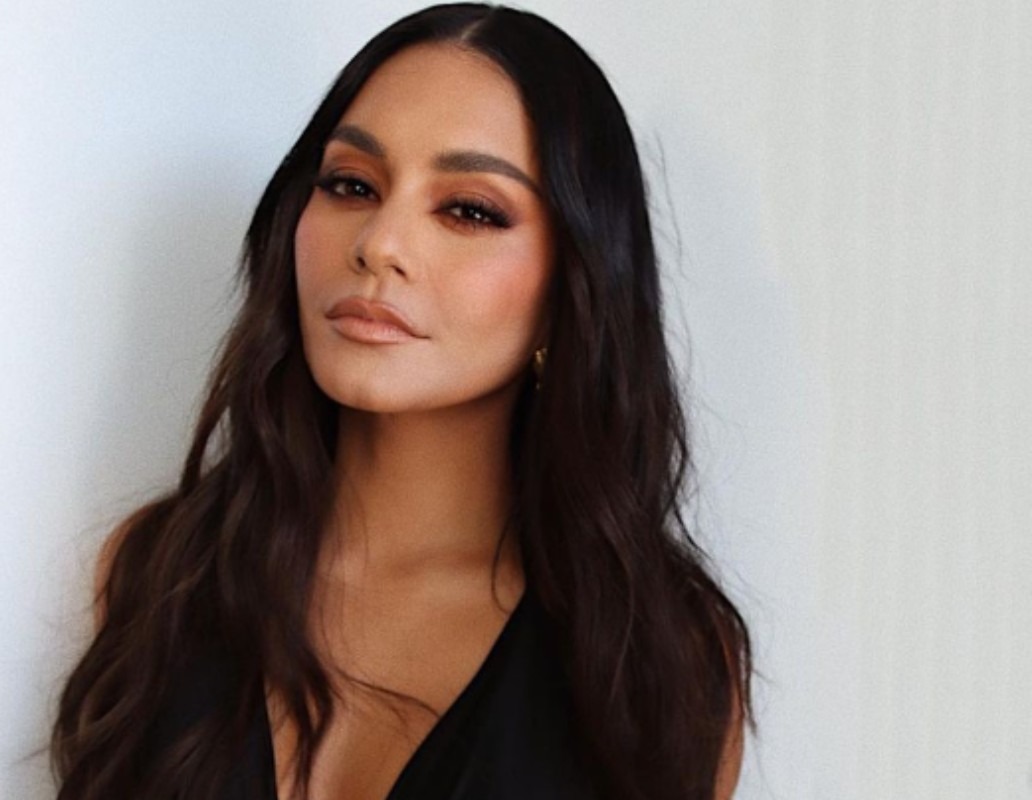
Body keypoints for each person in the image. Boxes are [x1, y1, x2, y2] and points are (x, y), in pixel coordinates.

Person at [50, 4, 753, 799]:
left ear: (573, 284)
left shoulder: (660, 660)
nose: (379, 243)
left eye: (470, 210)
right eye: (351, 185)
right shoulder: (156, 577)